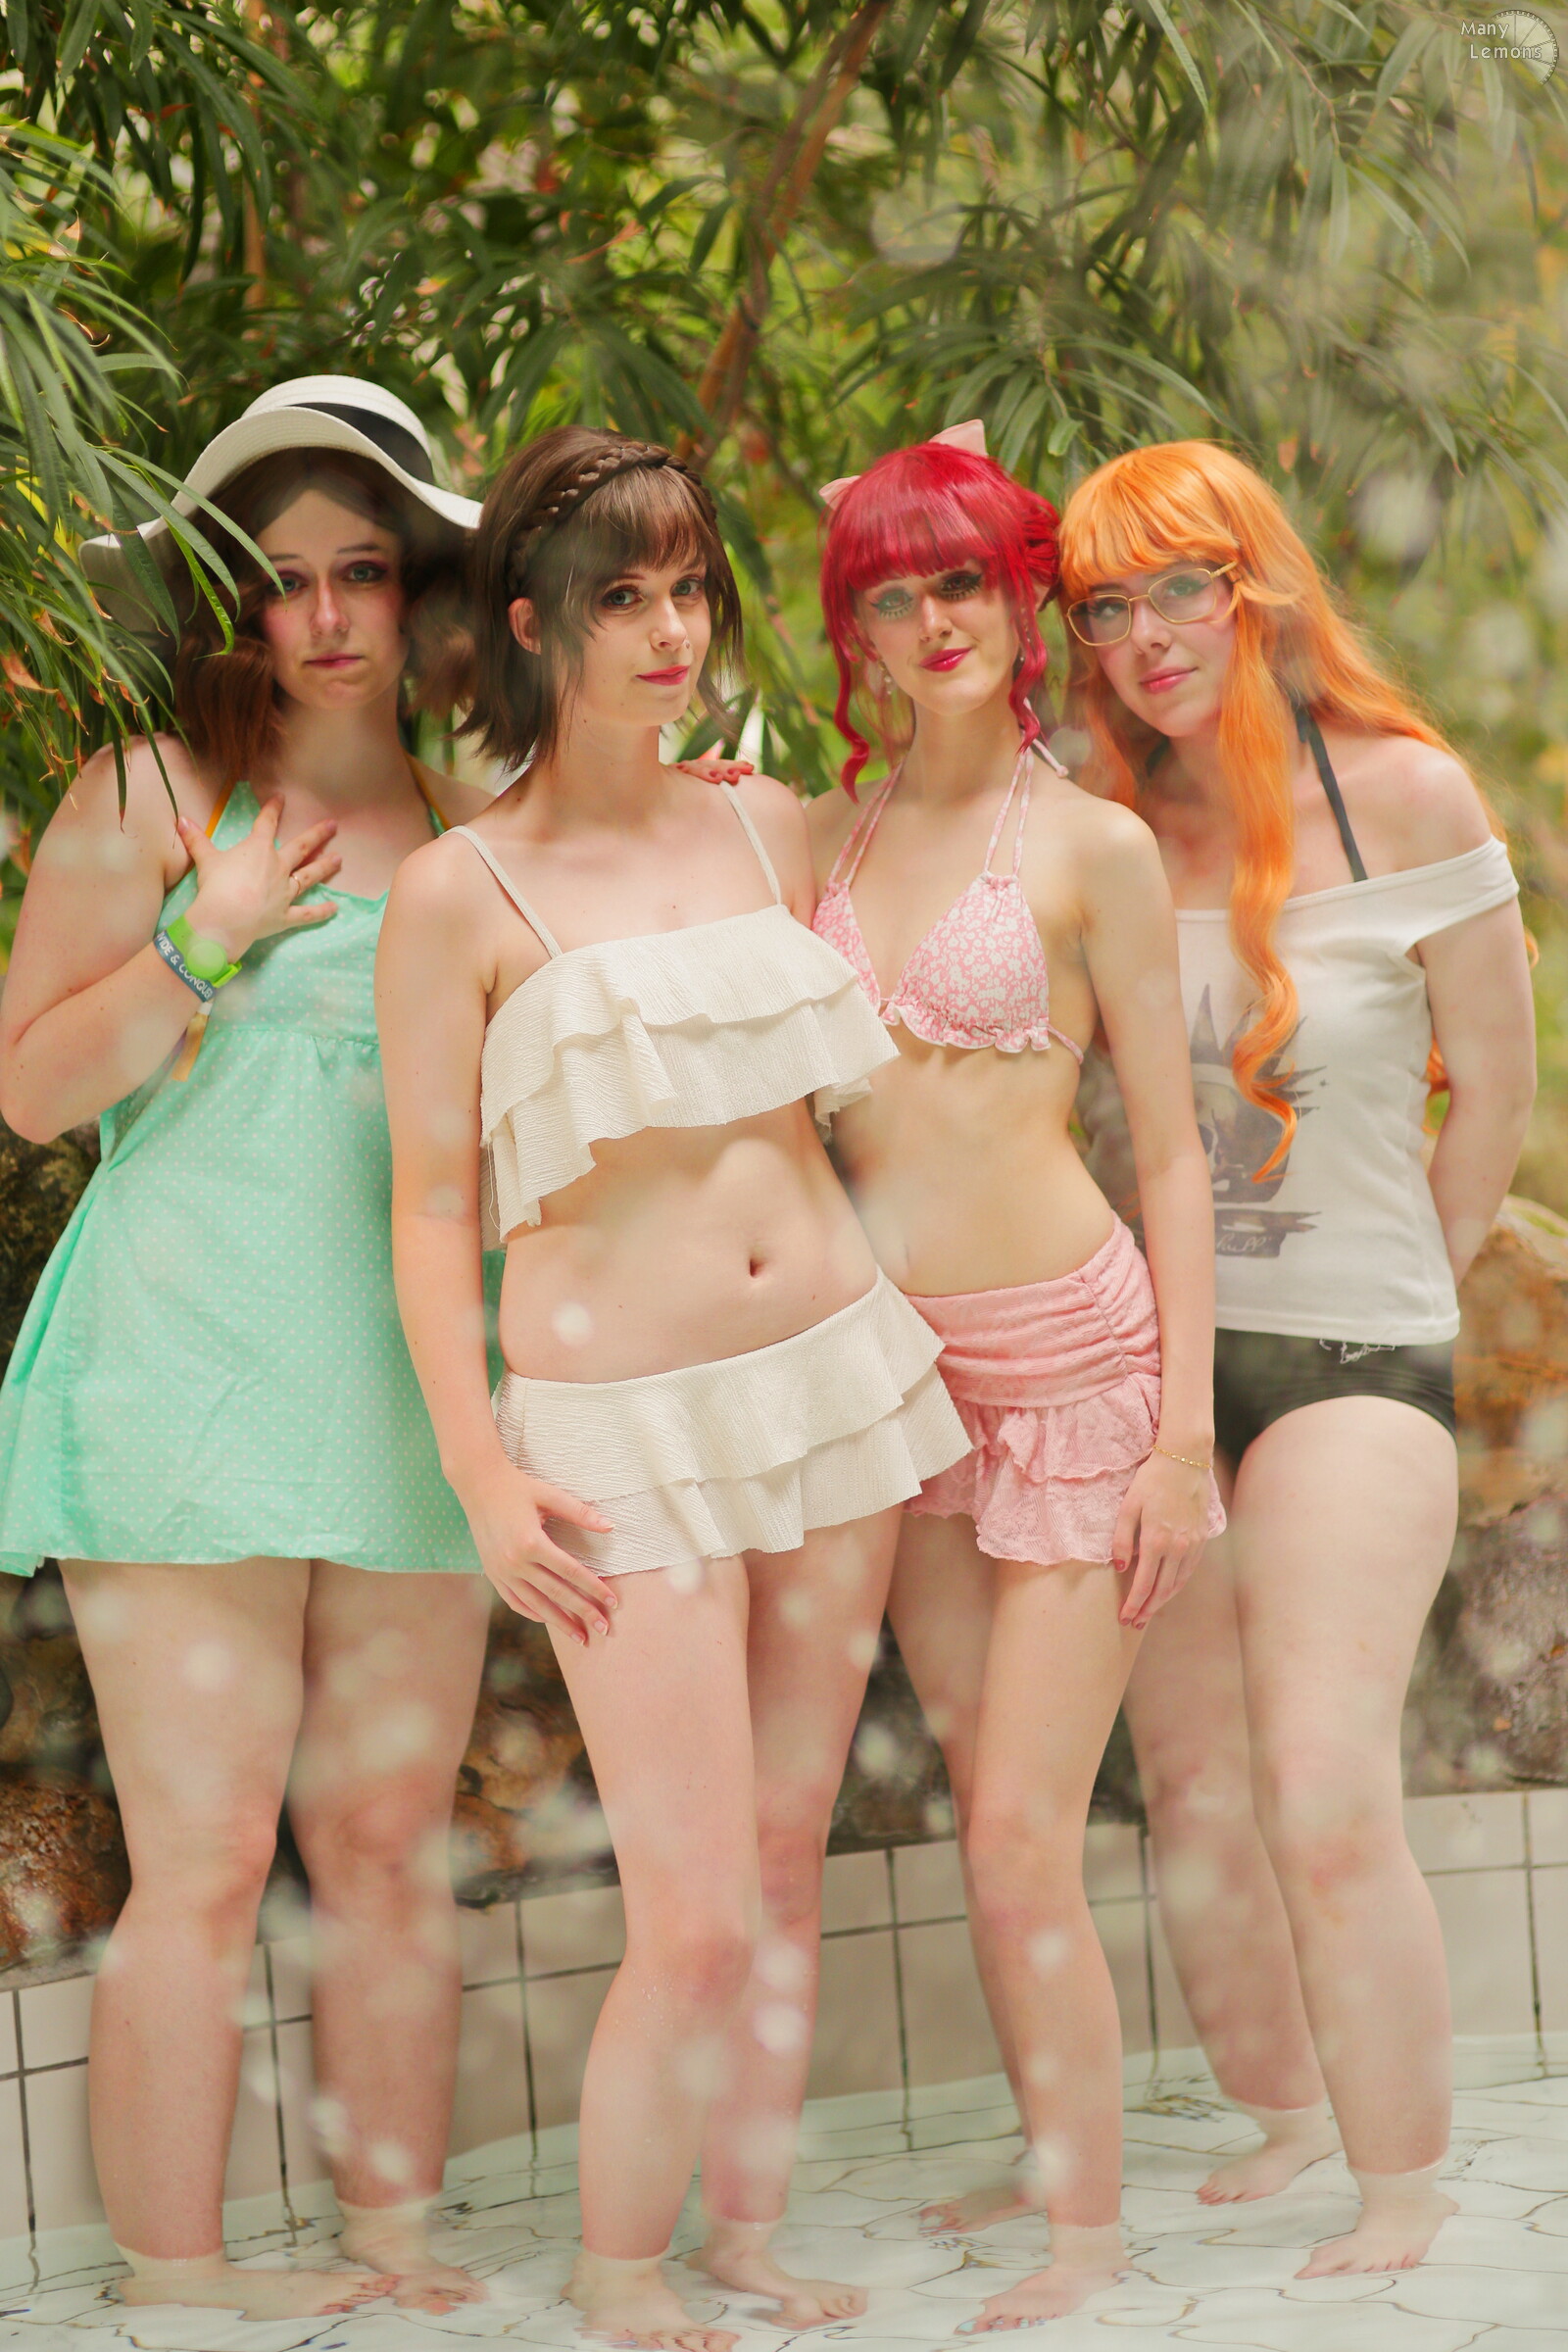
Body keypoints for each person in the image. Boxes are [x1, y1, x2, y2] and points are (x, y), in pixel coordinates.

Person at [374, 423, 969, 2352]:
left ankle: (743, 2237)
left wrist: (929, 519)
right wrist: (478, 1473)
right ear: (527, 622)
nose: (668, 631)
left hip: (833, 1387)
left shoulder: (762, 824)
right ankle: (617, 2269)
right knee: (696, 1906)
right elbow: (429, 1207)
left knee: (787, 1860)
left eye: (689, 589)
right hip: (618, 1434)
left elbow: (969, 788)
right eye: (619, 595)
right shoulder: (456, 892)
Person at [0, 378, 504, 2320]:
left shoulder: (473, 821)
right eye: (283, 579)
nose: (326, 614)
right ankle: (177, 2282)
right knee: (205, 1857)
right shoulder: (146, 794)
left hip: (407, 1393)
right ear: (235, 605)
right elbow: (32, 1089)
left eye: (362, 570)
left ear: (419, 588)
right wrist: (200, 938)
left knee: (387, 1845)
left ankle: (392, 2243)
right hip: (185, 1376)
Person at [1057, 439, 1535, 2277]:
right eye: (1108, 606)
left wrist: (1402, 1275)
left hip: (1352, 1353)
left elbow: (1494, 1091)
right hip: (1151, 1370)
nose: (1150, 636)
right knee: (1189, 1783)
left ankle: (1403, 2181)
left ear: (1255, 587)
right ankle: (1281, 2114)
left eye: (1183, 586)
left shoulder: (1406, 794)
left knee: (1322, 1785)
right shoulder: (1097, 814)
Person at [800, 421, 1223, 2328]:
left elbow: (1172, 1156)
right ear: (854, 636)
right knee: (989, 1803)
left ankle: (1088, 2240)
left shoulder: (1090, 846)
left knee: (1018, 1831)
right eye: (889, 595)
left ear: (1017, 595)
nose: (931, 622)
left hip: (1071, 1362)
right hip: (905, 1385)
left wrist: (1180, 1439)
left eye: (959, 579)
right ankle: (1056, 2154)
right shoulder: (819, 835)